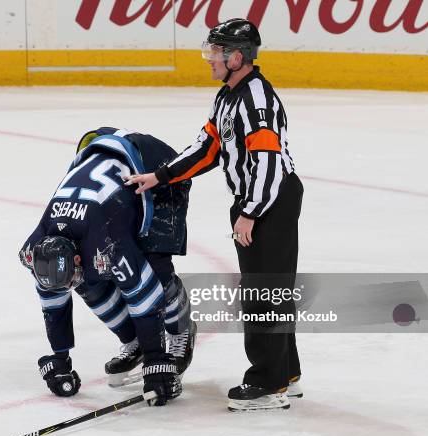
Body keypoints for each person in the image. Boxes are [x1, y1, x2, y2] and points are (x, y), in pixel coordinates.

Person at [125, 19, 304, 411]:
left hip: (270, 200)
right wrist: (160, 175)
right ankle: (286, 371)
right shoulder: (227, 97)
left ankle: (269, 383)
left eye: (216, 52)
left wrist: (251, 212)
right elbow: (206, 147)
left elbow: (270, 164)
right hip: (255, 201)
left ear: (236, 57)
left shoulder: (258, 98)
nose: (209, 59)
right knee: (266, 289)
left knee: (264, 294)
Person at [20, 127, 197, 406]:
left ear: (77, 257)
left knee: (156, 273)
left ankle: (181, 331)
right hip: (105, 192)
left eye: (75, 271)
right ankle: (134, 341)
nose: (71, 283)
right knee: (88, 283)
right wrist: (60, 357)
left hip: (155, 168)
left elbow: (143, 293)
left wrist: (155, 359)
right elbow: (53, 304)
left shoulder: (105, 242)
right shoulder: (34, 251)